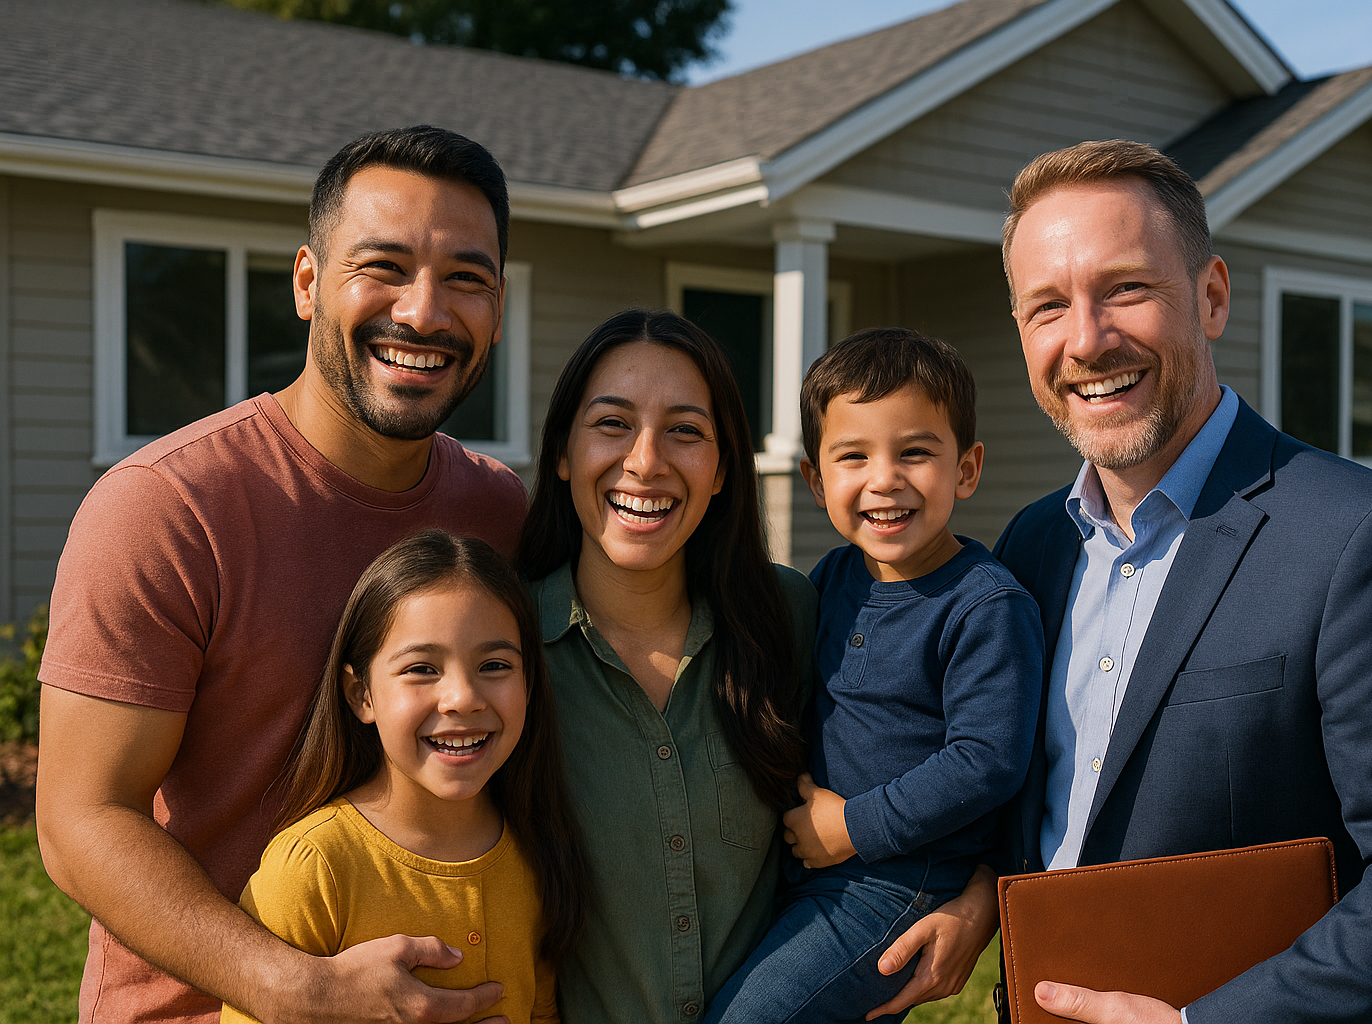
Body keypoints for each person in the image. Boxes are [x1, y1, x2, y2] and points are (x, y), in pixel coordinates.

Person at [986, 139, 1372, 1023]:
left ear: (1211, 295)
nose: (1086, 339)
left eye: (1126, 289)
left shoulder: (1360, 538)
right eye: (1048, 306)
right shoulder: (1032, 547)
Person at [36, 126, 526, 1024]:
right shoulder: (167, 507)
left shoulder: (500, 517)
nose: (423, 313)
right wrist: (300, 989)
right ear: (307, 283)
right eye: (383, 265)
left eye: (467, 278)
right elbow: (81, 822)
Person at [518, 308, 999, 1024]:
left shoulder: (791, 615)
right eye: (612, 423)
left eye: (686, 430)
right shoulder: (505, 647)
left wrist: (980, 900)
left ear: (721, 471)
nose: (646, 461)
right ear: (562, 452)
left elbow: (971, 742)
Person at [701, 327, 1042, 1024]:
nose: (884, 478)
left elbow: (987, 760)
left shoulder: (984, 604)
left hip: (901, 881)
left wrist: (855, 825)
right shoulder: (832, 579)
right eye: (853, 456)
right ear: (815, 479)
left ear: (967, 469)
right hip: (814, 870)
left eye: (915, 452)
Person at [221, 530, 588, 1024]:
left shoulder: (536, 849)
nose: (462, 697)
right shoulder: (313, 869)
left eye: (495, 665)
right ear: (361, 695)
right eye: (421, 668)